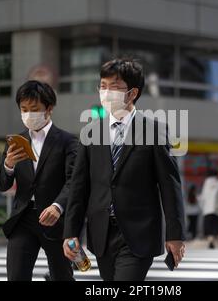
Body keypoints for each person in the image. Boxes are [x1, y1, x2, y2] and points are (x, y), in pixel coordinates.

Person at [63, 58, 186, 281]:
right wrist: (70, 233)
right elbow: (79, 187)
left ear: (132, 93)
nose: (106, 92)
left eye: (115, 87)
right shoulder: (90, 133)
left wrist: (175, 235)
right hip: (101, 234)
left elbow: (170, 185)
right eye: (103, 86)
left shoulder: (155, 131)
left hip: (140, 233)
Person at [0, 80, 78, 281]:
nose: (28, 114)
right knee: (16, 276)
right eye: (24, 109)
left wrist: (58, 206)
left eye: (34, 109)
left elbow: (73, 181)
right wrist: (8, 165)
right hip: (23, 219)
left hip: (55, 219)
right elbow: (1, 184)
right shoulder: (16, 142)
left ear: (49, 108)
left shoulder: (68, 141)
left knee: (62, 277)